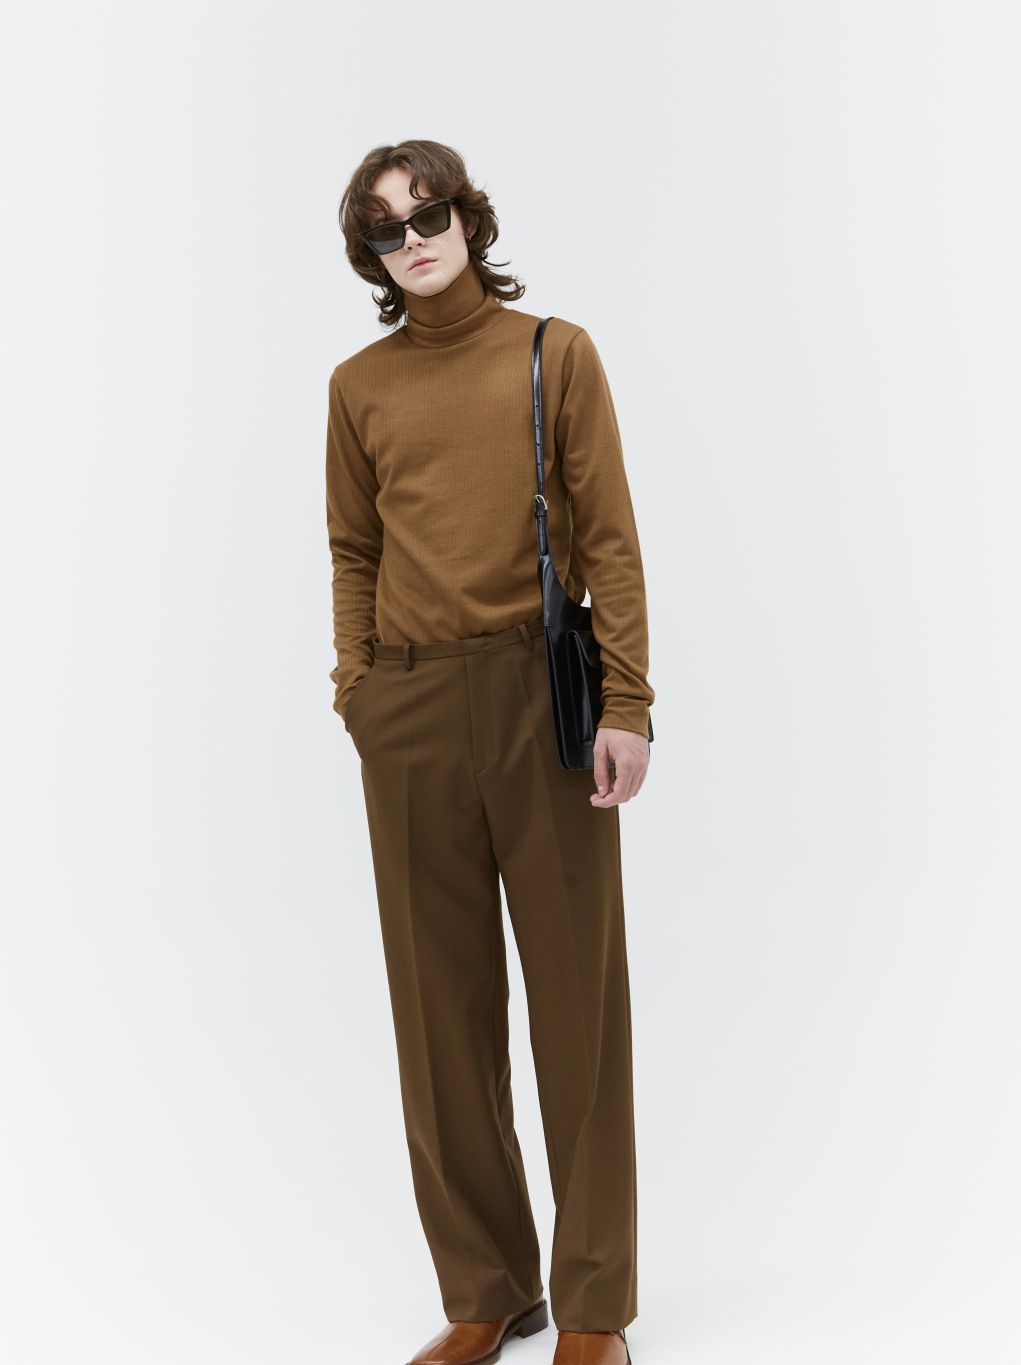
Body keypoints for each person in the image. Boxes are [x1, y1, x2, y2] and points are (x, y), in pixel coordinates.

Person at [325, 139, 653, 1365]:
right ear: (367, 254)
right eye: (385, 229)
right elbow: (353, 550)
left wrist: (627, 703)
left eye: (429, 215)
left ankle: (594, 1307)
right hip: (408, 710)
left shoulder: (551, 354)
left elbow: (608, 539)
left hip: (537, 697)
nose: (412, 241)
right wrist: (358, 691)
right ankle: (488, 1289)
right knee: (438, 1013)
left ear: (470, 219)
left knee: (578, 1009)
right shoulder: (356, 387)